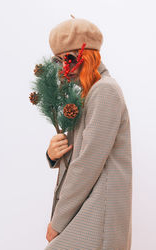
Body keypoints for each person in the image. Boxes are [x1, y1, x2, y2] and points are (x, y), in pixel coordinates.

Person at [44, 16, 132, 250]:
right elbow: (80, 152)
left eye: (70, 58)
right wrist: (53, 154)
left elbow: (88, 162)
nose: (64, 67)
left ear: (89, 55)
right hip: (87, 204)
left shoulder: (104, 91)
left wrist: (59, 220)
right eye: (58, 60)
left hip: (98, 209)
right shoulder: (87, 93)